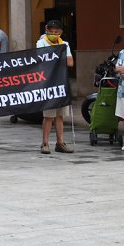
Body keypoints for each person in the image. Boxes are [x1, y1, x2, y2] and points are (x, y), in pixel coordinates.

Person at [36, 20, 75, 154]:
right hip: (48, 83)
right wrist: (59, 57)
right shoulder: (41, 42)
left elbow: (70, 62)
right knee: (48, 116)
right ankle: (45, 143)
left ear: (60, 32)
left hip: (61, 82)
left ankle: (60, 142)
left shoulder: (65, 44)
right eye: (51, 31)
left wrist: (54, 57)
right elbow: (42, 59)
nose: (53, 33)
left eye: (56, 31)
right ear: (46, 30)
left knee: (60, 115)